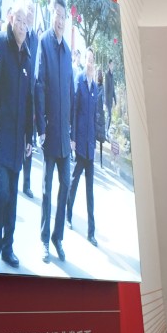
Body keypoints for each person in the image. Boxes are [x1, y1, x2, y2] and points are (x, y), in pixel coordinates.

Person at [0, 0, 36, 273]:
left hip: (18, 141)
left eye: (26, 22)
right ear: (11, 19)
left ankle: (7, 248)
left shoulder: (27, 55)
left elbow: (29, 99)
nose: (23, 26)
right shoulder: (0, 44)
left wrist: (30, 136)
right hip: (1, 135)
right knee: (1, 193)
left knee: (13, 197)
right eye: (19, 20)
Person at [33, 0, 76, 262]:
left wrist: (71, 132)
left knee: (66, 185)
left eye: (63, 16)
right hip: (49, 132)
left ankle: (57, 237)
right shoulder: (44, 43)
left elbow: (70, 92)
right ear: (51, 15)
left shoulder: (68, 52)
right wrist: (41, 127)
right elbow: (39, 86)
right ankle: (44, 240)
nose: (60, 21)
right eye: (56, 15)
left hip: (64, 136)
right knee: (47, 189)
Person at [68, 47, 101, 245]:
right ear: (85, 62)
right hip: (79, 143)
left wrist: (95, 142)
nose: (90, 63)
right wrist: (72, 138)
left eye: (92, 60)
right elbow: (74, 111)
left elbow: (95, 118)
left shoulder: (95, 88)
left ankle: (91, 232)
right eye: (87, 60)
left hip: (90, 146)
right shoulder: (79, 80)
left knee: (90, 191)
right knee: (74, 181)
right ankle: (68, 214)